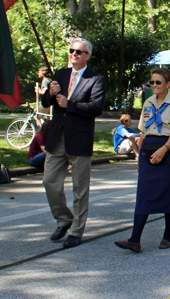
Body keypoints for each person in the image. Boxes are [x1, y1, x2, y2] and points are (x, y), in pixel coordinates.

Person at [41, 38, 105, 249]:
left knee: (80, 189)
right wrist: (49, 93)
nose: (74, 54)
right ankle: (64, 219)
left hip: (79, 138)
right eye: (71, 50)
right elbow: (46, 103)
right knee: (50, 182)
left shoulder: (95, 78)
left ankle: (77, 230)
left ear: (87, 55)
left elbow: (96, 107)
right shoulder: (60, 74)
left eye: (79, 51)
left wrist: (71, 105)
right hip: (57, 138)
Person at [115, 68, 170, 252]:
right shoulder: (148, 102)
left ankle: (167, 235)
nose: (154, 85)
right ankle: (135, 239)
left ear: (168, 83)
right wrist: (140, 156)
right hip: (149, 148)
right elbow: (142, 130)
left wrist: (164, 149)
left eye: (158, 82)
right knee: (144, 192)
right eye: (152, 82)